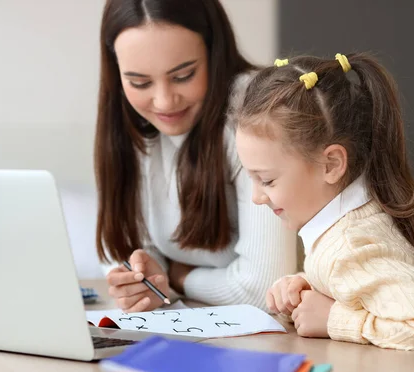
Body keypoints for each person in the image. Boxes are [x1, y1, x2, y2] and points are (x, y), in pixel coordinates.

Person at [233, 52, 414, 359]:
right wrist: (310, 284)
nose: (257, 197)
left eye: (266, 180)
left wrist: (334, 318)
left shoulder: (349, 246)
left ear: (331, 164)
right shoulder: (356, 221)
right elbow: (373, 287)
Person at [94, 0, 298, 313]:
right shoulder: (130, 121)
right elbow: (118, 251)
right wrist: (141, 276)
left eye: (183, 75)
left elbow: (264, 289)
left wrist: (175, 275)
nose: (163, 102)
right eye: (140, 82)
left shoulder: (257, 114)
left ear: (213, 54)